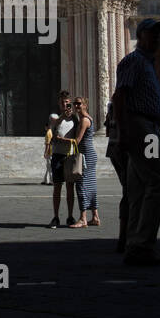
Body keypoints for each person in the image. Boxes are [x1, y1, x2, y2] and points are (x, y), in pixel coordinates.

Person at [114, 20, 160, 264]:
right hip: (141, 129)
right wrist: (124, 133)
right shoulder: (134, 61)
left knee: (138, 190)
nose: (156, 38)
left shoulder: (147, 64)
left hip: (147, 126)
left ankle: (134, 244)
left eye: (158, 34)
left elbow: (155, 110)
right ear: (139, 36)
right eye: (151, 34)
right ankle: (143, 245)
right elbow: (119, 97)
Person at [47, 92, 79, 228]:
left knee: (70, 187)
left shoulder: (75, 119)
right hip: (58, 155)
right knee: (57, 187)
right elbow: (53, 125)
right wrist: (63, 115)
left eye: (67, 102)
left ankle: (70, 216)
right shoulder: (55, 116)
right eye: (62, 103)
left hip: (70, 155)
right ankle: (55, 217)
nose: (65, 105)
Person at [104, 101, 129, 252]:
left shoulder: (115, 103)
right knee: (133, 192)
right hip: (125, 148)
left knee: (128, 191)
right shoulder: (129, 101)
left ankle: (124, 236)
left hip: (114, 148)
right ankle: (131, 237)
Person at [72, 96, 101, 228]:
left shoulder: (84, 120)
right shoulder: (87, 118)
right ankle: (95, 217)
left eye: (79, 104)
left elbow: (78, 140)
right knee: (91, 186)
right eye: (75, 104)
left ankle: (83, 218)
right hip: (87, 154)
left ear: (85, 105)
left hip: (85, 155)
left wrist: (60, 139)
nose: (76, 106)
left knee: (81, 185)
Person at [42, 116, 56, 184]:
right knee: (48, 166)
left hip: (50, 152)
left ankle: (51, 180)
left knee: (50, 167)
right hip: (52, 151)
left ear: (46, 127)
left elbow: (47, 144)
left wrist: (45, 152)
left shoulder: (48, 133)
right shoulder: (51, 132)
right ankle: (45, 180)